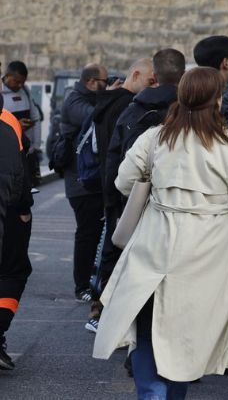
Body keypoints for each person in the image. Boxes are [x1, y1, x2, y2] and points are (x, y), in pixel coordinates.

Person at [92, 67, 228, 399]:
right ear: (217, 100)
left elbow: (122, 181)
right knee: (187, 338)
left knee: (148, 332)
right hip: (210, 257)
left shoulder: (155, 137)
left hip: (155, 246)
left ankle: (151, 395)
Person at [93, 50, 187, 332]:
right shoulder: (191, 115)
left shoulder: (133, 110)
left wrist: (114, 208)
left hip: (132, 206)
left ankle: (131, 333)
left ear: (154, 77)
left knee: (133, 273)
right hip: (176, 212)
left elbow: (116, 168)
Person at [86, 57, 155, 332]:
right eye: (151, 81)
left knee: (110, 250)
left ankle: (100, 310)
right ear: (136, 74)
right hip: (120, 191)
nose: (154, 86)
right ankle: (103, 313)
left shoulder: (108, 104)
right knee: (116, 254)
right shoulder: (128, 107)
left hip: (109, 188)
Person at [59, 63, 110, 302]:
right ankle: (81, 286)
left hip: (89, 179)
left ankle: (89, 277)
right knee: (87, 233)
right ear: (91, 82)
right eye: (104, 82)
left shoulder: (84, 96)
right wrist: (111, 97)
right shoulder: (75, 101)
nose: (106, 86)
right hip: (80, 182)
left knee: (94, 232)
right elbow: (95, 116)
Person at [0, 103, 30, 371]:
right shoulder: (9, 122)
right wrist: (23, 208)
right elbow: (20, 171)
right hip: (8, 211)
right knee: (13, 271)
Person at [2, 61, 44, 188]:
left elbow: (35, 117)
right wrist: (16, 125)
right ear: (7, 75)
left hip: (26, 152)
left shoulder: (25, 90)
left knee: (26, 194)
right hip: (8, 155)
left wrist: (36, 147)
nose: (20, 85)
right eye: (16, 81)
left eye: (23, 82)